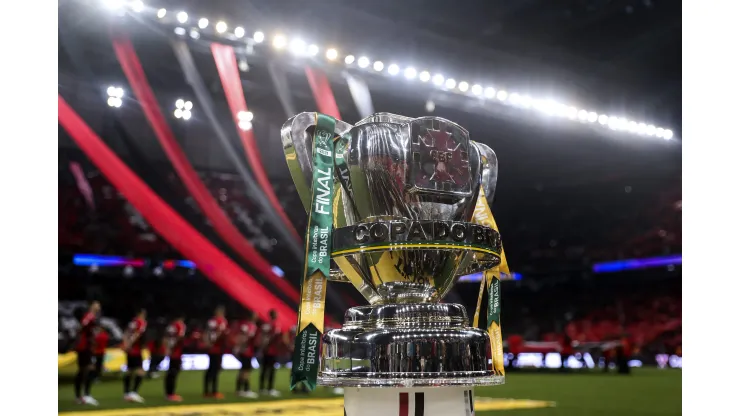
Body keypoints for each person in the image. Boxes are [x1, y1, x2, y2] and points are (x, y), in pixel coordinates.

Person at [74, 301, 101, 406]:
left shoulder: (92, 317)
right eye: (97, 305)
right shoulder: (89, 316)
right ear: (92, 306)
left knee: (83, 370)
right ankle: (86, 395)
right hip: (84, 346)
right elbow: (82, 326)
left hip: (86, 346)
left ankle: (79, 396)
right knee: (89, 369)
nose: (99, 307)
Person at [259, 309, 288, 397]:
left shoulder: (265, 324)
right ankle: (270, 389)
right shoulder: (275, 324)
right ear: (274, 315)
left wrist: (263, 346)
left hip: (265, 350)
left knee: (264, 369)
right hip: (272, 350)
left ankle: (261, 388)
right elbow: (275, 336)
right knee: (271, 370)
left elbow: (262, 336)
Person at [122, 308, 148, 403]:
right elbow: (137, 334)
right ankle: (134, 393)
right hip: (136, 350)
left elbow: (125, 333)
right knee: (140, 371)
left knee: (130, 371)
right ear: (141, 314)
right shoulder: (141, 322)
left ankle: (126, 393)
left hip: (130, 350)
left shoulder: (132, 323)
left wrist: (125, 345)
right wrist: (130, 344)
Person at [204, 306, 228, 399]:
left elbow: (206, 333)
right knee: (216, 369)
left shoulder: (211, 321)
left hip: (210, 348)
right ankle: (214, 391)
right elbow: (221, 333)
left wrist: (208, 343)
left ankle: (206, 391)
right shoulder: (222, 321)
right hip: (218, 348)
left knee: (210, 368)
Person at [234, 311, 259, 398]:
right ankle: (245, 389)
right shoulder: (251, 326)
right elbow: (247, 338)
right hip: (247, 351)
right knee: (246, 370)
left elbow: (239, 336)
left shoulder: (244, 325)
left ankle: (238, 389)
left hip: (244, 350)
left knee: (243, 369)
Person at [164, 315, 187, 402]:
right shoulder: (180, 325)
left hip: (171, 352)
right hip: (176, 353)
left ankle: (168, 393)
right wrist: (173, 347)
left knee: (170, 373)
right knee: (173, 373)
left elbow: (165, 337)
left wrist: (167, 348)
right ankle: (171, 394)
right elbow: (180, 337)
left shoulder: (171, 325)